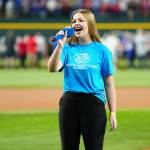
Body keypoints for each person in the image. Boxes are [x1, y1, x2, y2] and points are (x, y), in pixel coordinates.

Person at [48, 9, 117, 150]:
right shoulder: (66, 49)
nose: (76, 23)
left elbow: (109, 84)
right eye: (73, 21)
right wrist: (59, 47)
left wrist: (113, 112)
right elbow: (52, 68)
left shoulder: (102, 50)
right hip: (69, 104)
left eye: (80, 20)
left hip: (94, 104)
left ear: (90, 24)